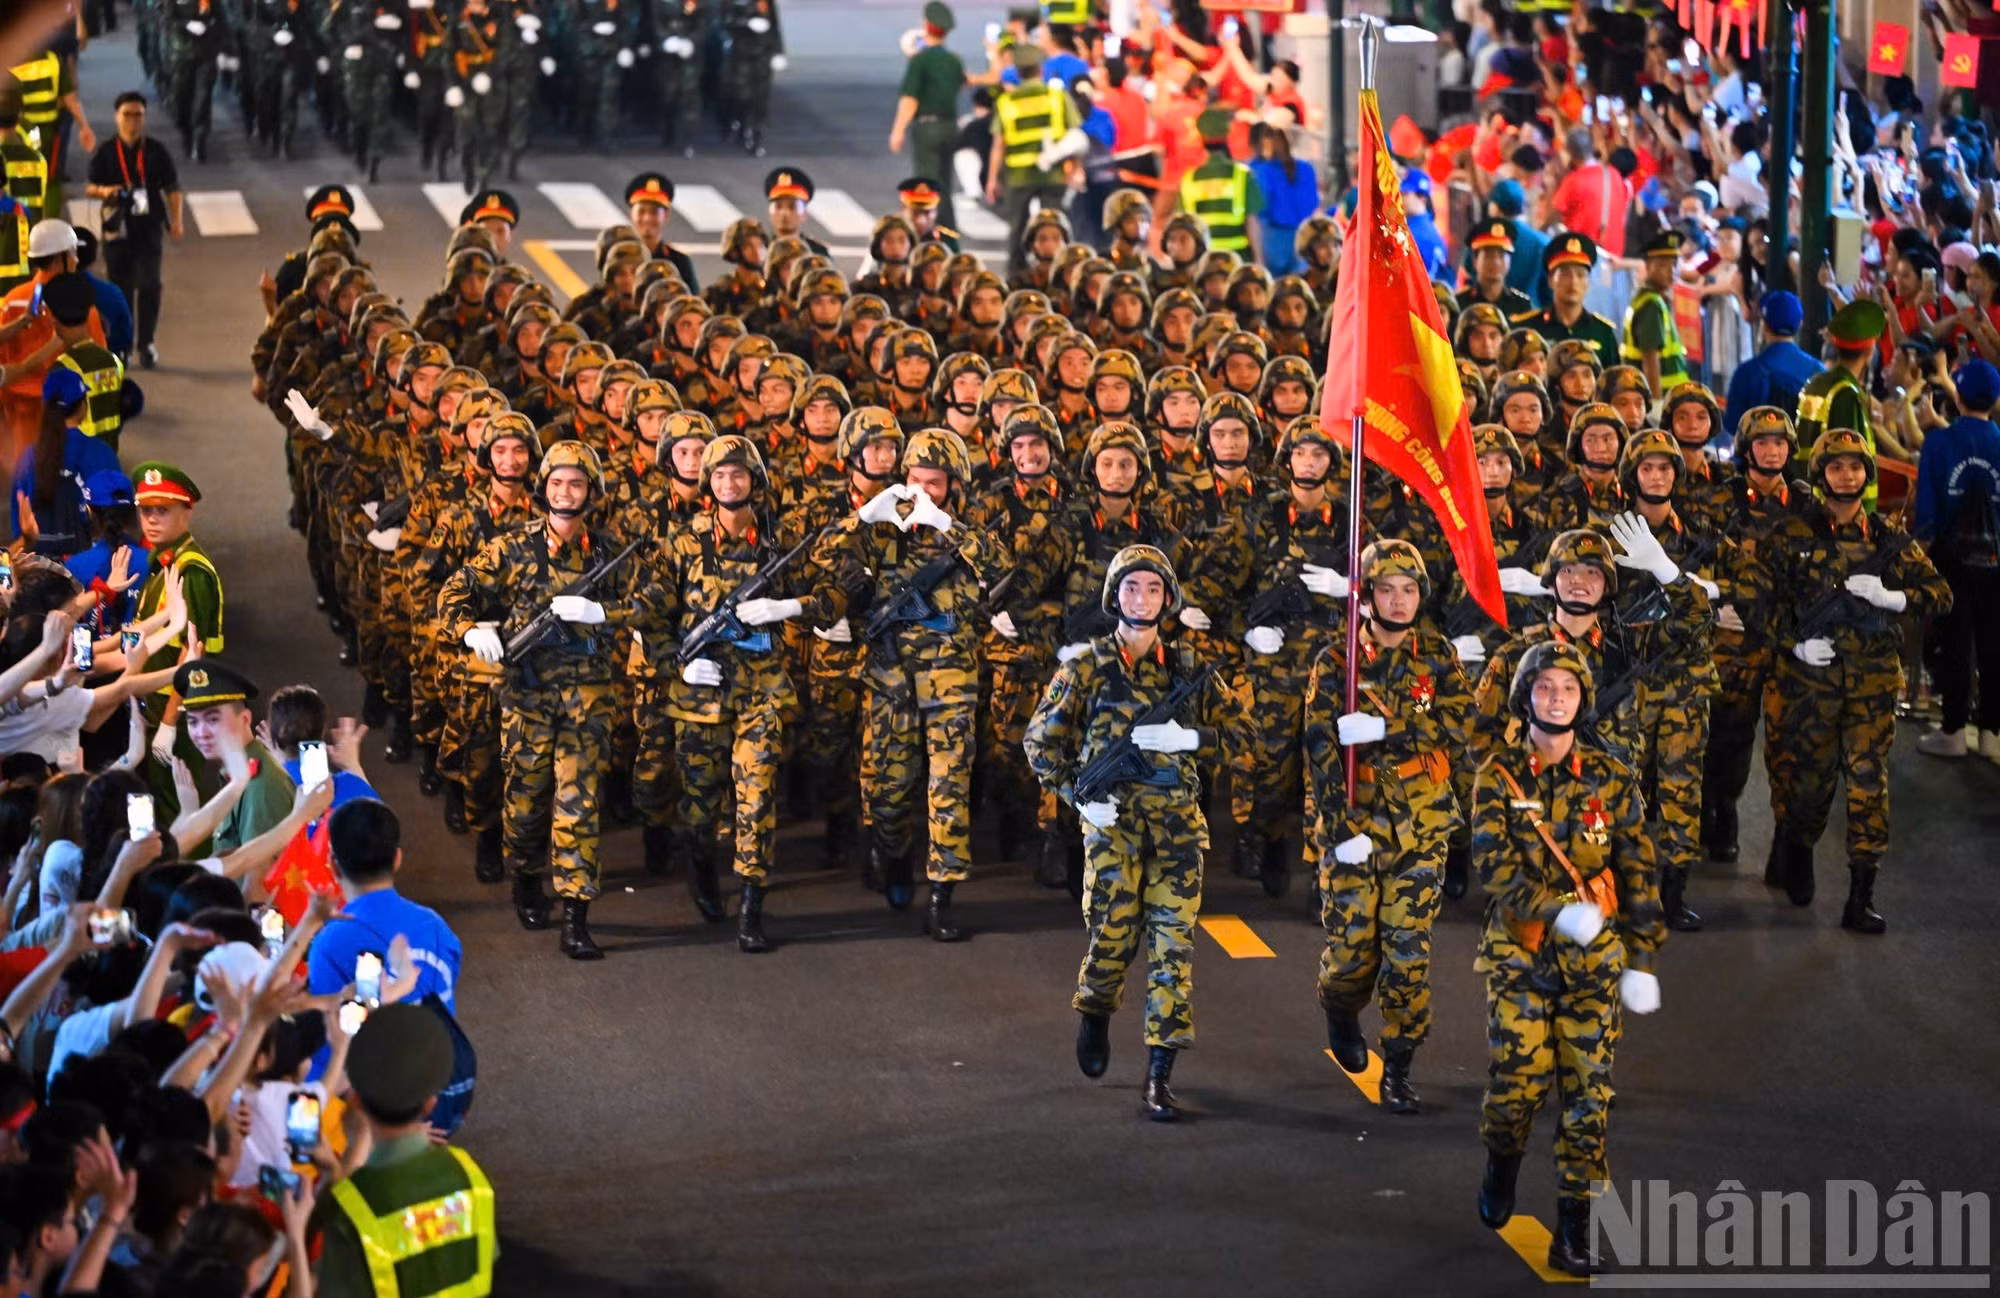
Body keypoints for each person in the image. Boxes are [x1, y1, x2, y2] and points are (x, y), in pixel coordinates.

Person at [1024, 545, 1243, 1122]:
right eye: (1130, 587)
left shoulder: (1191, 667)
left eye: (1152, 588)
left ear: (1167, 599)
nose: (1141, 598)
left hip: (1177, 830)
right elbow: (1039, 743)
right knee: (1112, 943)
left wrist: (1192, 740)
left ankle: (1159, 1073)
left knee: (1174, 951)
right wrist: (1078, 800)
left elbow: (1245, 736)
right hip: (1113, 830)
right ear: (1113, 596)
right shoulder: (1086, 668)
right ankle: (1096, 1009)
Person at [1471, 641, 1664, 1278]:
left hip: (1594, 966)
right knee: (1518, 1087)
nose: (1557, 700)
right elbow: (1495, 868)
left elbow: (1638, 869)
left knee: (1589, 1100)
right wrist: (1557, 912)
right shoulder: (1499, 774)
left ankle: (1573, 1229)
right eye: (1545, 688)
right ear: (1525, 696)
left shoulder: (1610, 776)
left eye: (1569, 689)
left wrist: (1643, 958)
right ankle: (1502, 1162)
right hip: (1522, 960)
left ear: (1583, 700)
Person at [438, 440, 651, 959]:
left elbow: (653, 604)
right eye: (556, 482)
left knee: (579, 804)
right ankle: (526, 876)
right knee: (526, 800)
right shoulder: (513, 548)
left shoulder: (610, 553)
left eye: (576, 483)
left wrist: (605, 615)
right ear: (542, 489)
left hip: (588, 700)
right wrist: (471, 631)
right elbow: (452, 593)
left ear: (591, 492)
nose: (565, 492)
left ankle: (576, 914)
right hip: (527, 698)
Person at [1763, 430, 1950, 933]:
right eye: (1836, 467)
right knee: (1808, 783)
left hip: (1872, 682)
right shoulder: (1791, 535)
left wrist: (1893, 599)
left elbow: (1939, 593)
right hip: (1811, 684)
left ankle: (1861, 894)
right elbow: (1761, 604)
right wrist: (1794, 644)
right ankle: (1798, 847)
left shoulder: (1887, 539)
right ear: (1820, 474)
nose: (1847, 476)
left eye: (1856, 467)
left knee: (1868, 783)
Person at [307, 1004, 496, 1296]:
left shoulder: (347, 1203)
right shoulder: (472, 1176)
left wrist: (333, 1177)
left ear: (355, 1101)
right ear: (431, 1104)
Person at [1910, 360, 2000, 760]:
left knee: (1955, 641)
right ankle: (1992, 733)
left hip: (1951, 561)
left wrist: (1913, 563)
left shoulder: (1938, 443)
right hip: (1996, 562)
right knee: (1994, 644)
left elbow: (1927, 517)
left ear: (1957, 397)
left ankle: (1953, 731)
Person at [308, 798, 463, 1012]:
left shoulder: (328, 945)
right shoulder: (436, 927)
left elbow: (326, 1022)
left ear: (333, 866)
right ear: (397, 859)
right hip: (435, 1034)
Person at [84, 92, 181, 370]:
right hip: (118, 230)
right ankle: (122, 345)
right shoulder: (106, 151)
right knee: (120, 290)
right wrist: (106, 191)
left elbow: (172, 187)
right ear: (117, 117)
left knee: (150, 284)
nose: (132, 121)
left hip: (149, 228)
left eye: (138, 115)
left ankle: (147, 342)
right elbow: (90, 186)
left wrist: (177, 220)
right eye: (127, 114)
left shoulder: (156, 151)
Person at [170, 657, 298, 855]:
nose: (201, 733)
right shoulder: (238, 773)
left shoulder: (259, 785)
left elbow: (257, 870)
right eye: (193, 722)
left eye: (213, 719)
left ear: (245, 719)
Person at [10, 364, 118, 556]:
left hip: (33, 564)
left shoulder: (28, 457)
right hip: (92, 568)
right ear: (82, 405)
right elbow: (117, 517)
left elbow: (18, 523)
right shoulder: (101, 453)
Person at [1793, 300, 1886, 510]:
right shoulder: (1846, 395)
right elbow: (1848, 461)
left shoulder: (1816, 382)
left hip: (1810, 502)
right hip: (1837, 511)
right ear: (1870, 350)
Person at [986, 42, 1069, 280]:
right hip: (1052, 174)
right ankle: (1058, 274)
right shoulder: (1057, 97)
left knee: (1017, 228)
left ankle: (1016, 278)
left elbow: (998, 145)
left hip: (1018, 175)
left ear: (1018, 72)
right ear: (1040, 69)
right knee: (1055, 227)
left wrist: (992, 179)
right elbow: (1073, 135)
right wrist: (1074, 168)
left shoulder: (1007, 102)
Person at [888, 1, 965, 235]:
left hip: (928, 128)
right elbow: (961, 83)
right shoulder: (953, 60)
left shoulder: (920, 60)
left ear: (926, 26)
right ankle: (949, 234)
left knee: (927, 185)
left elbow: (910, 98)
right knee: (945, 183)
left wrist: (898, 130)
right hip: (950, 127)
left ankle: (929, 234)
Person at [1722, 290, 1823, 440]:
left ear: (1764, 326)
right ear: (1800, 324)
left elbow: (1733, 427)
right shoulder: (1818, 372)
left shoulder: (1745, 373)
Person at [42, 269, 124, 452]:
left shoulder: (62, 369)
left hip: (75, 460)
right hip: (108, 456)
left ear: (53, 319)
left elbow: (53, 428)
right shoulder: (113, 361)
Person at [1515, 232, 1619, 366]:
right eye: (1565, 274)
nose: (1573, 282)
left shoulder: (1603, 332)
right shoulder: (1529, 327)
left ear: (1588, 283)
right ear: (1550, 281)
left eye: (1580, 275)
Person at [1620, 229, 1689, 398]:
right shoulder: (1651, 304)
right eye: (1663, 265)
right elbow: (1650, 359)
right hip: (1660, 398)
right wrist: (1656, 403)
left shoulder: (1650, 297)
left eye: (1674, 264)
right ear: (1648, 267)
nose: (1671, 271)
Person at [624, 172, 699, 292]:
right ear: (631, 214)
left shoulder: (679, 262)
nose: (647, 218)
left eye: (654, 212)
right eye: (641, 211)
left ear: (666, 216)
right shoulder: (621, 258)